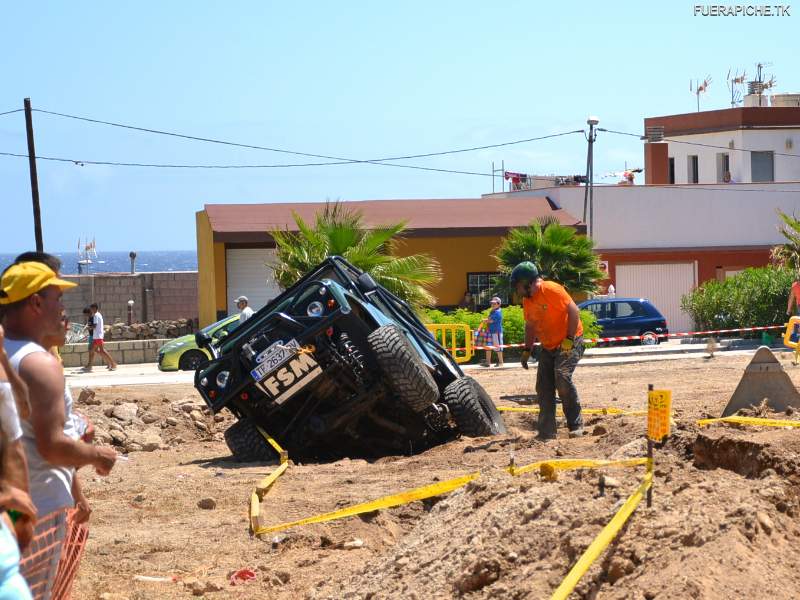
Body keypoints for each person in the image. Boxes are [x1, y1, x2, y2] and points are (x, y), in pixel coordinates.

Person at [0, 261, 117, 599]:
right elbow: (51, 446)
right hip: (40, 508)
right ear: (35, 302)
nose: (62, 307)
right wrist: (98, 455)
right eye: (56, 298)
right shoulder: (39, 363)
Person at [511, 261, 585, 440]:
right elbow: (530, 327)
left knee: (562, 378)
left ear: (528, 283)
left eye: (518, 286)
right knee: (543, 386)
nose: (517, 290)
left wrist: (569, 339)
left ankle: (575, 425)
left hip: (571, 340)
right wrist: (527, 350)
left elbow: (574, 311)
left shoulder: (552, 289)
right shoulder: (527, 301)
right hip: (549, 346)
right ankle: (547, 431)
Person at [85, 303, 117, 372]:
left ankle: (113, 363)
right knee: (92, 349)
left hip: (98, 336)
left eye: (92, 308)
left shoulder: (96, 315)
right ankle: (90, 365)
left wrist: (88, 328)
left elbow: (94, 326)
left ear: (95, 308)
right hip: (96, 336)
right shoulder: (98, 314)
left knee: (101, 350)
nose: (91, 310)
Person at [480, 297, 504, 367]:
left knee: (498, 347)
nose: (492, 305)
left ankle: (501, 362)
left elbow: (491, 321)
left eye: (494, 303)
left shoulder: (498, 312)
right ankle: (487, 363)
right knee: (488, 347)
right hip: (490, 332)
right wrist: (485, 319)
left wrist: (485, 320)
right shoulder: (492, 311)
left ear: (499, 304)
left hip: (497, 332)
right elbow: (489, 319)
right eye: (492, 303)